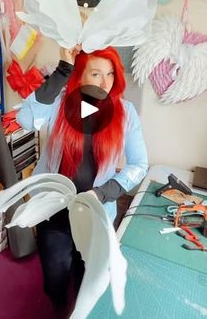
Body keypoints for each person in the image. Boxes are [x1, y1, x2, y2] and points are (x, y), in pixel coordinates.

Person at [17, 45, 148, 317]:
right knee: (55, 276)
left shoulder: (126, 112)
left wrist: (102, 193)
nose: (105, 83)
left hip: (94, 211)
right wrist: (62, 69)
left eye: (110, 74)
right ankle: (58, 305)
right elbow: (26, 119)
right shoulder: (61, 101)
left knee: (87, 273)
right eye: (96, 74)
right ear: (79, 75)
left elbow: (139, 164)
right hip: (53, 211)